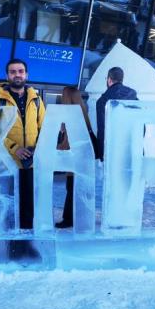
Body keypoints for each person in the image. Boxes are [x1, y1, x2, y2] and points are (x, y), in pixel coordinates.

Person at [0, 58, 45, 230]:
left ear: (26, 74)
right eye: (13, 72)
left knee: (29, 207)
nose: (17, 75)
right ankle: (11, 246)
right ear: (7, 75)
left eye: (20, 71)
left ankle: (28, 244)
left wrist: (36, 149)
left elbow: (45, 127)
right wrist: (14, 149)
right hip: (9, 164)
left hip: (31, 164)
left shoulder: (36, 100)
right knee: (10, 207)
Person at [55, 87, 96, 228]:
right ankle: (78, 218)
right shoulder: (83, 114)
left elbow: (65, 144)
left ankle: (68, 219)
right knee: (78, 190)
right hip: (83, 161)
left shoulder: (69, 116)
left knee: (71, 189)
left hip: (73, 161)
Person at [95, 67, 138, 160]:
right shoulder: (134, 98)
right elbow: (141, 126)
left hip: (112, 154)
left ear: (109, 80)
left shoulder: (102, 101)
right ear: (121, 80)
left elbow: (102, 129)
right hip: (131, 151)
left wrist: (101, 156)